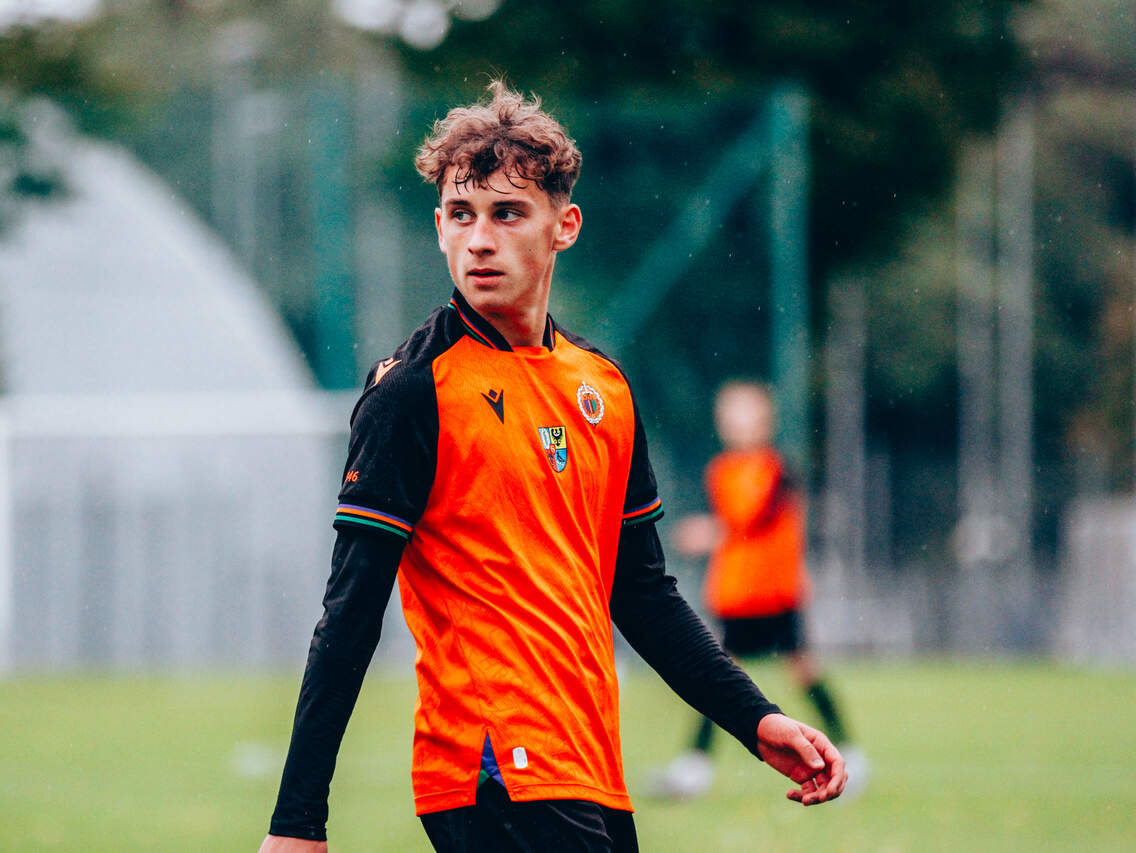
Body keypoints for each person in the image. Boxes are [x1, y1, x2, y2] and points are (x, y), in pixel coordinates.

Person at [258, 82, 846, 853]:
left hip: (587, 767)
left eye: (507, 213)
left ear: (563, 225)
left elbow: (641, 592)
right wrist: (297, 821)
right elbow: (350, 612)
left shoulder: (603, 387)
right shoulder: (412, 391)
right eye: (461, 214)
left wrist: (754, 717)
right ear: (438, 227)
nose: (479, 239)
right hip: (491, 768)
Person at [651, 380, 867, 800]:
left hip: (775, 594)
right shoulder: (722, 470)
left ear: (765, 421)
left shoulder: (777, 471)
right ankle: (694, 767)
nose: (735, 422)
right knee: (717, 677)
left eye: (744, 412)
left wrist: (710, 532)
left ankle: (850, 756)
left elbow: (752, 520)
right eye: (729, 414)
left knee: (802, 671)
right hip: (737, 596)